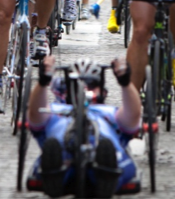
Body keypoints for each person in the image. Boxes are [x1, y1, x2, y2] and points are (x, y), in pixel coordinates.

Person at [26, 56, 140, 199]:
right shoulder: (56, 110)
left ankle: (105, 174)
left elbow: (132, 117)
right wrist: (43, 82)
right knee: (52, 148)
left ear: (102, 91)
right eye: (76, 84)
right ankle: (55, 173)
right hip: (62, 158)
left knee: (117, 157)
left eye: (92, 85)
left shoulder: (110, 112)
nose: (85, 88)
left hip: (106, 155)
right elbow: (36, 114)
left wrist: (125, 82)